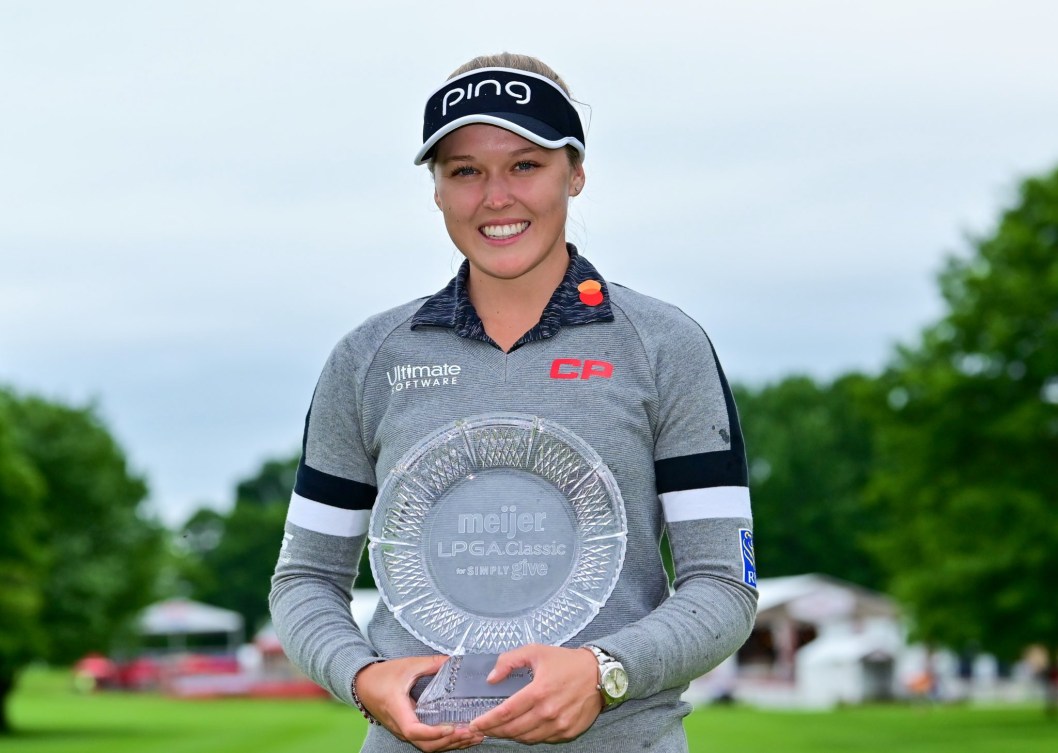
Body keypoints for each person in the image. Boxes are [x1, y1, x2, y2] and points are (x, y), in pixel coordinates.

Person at [270, 52, 758, 752]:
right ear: (436, 189)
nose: (495, 197)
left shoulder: (663, 345)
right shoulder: (369, 358)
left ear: (575, 173)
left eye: (525, 165)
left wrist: (603, 672)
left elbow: (723, 585)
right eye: (465, 170)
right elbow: (305, 579)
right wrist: (362, 676)